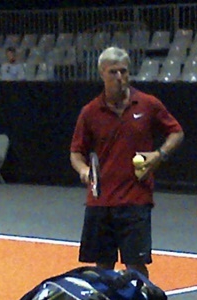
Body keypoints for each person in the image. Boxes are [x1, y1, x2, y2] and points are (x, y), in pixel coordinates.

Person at [70, 46, 184, 278]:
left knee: (136, 267)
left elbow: (177, 133)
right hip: (100, 201)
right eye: (113, 72)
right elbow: (76, 152)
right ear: (102, 73)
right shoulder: (90, 112)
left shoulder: (148, 104)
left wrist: (159, 155)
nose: (119, 77)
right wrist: (83, 170)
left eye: (124, 71)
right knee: (102, 269)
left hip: (136, 199)